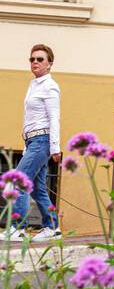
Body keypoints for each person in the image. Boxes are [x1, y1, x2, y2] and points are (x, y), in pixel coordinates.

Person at [8, 44, 62, 242]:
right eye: (32, 59)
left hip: (42, 141)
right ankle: (52, 227)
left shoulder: (50, 86)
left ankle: (17, 228)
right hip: (33, 142)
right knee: (38, 188)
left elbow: (54, 118)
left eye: (40, 59)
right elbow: (30, 120)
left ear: (49, 64)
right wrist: (26, 146)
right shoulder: (34, 85)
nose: (35, 62)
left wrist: (55, 147)